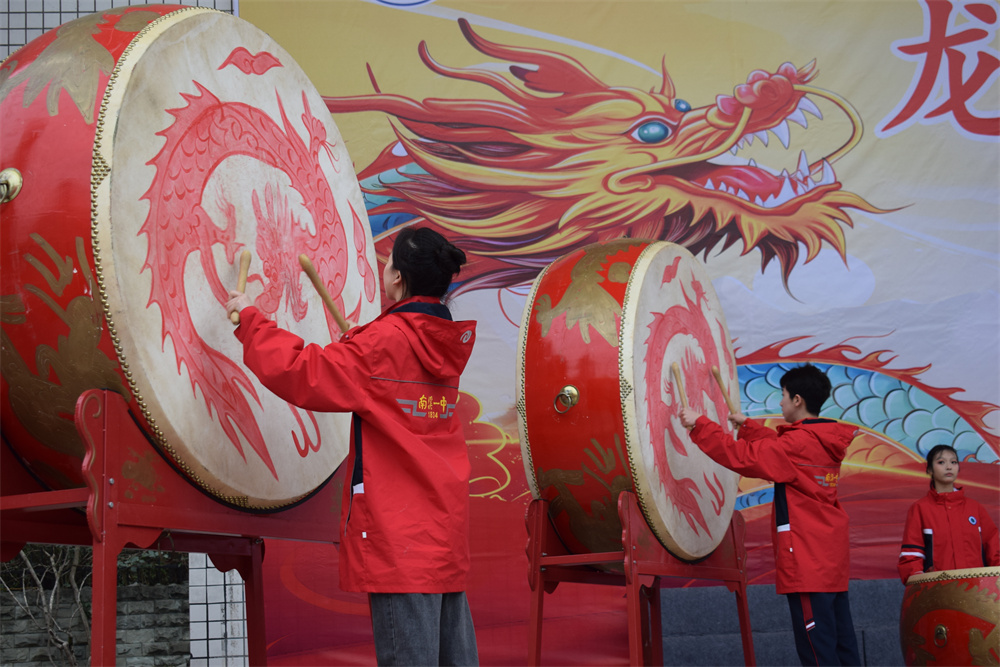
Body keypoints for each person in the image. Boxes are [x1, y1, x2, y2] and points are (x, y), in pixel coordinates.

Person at [226, 227, 479, 666]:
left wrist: (250, 320)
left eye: (388, 260)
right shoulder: (442, 342)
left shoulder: (384, 342)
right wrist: (363, 347)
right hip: (443, 536)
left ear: (397, 277)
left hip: (401, 541)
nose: (384, 267)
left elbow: (301, 370)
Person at [679, 363, 860, 667]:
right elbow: (780, 449)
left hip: (808, 561)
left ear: (797, 400)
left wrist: (699, 425)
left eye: (784, 395)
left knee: (818, 654)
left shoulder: (796, 445)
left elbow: (742, 457)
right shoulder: (821, 438)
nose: (781, 401)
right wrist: (748, 428)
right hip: (829, 561)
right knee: (843, 648)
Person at [897, 444, 1000, 583]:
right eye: (941, 462)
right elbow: (911, 556)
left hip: (977, 590)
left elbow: (995, 551)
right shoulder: (920, 509)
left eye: (953, 462)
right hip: (937, 590)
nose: (949, 467)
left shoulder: (975, 508)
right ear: (929, 469)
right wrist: (920, 584)